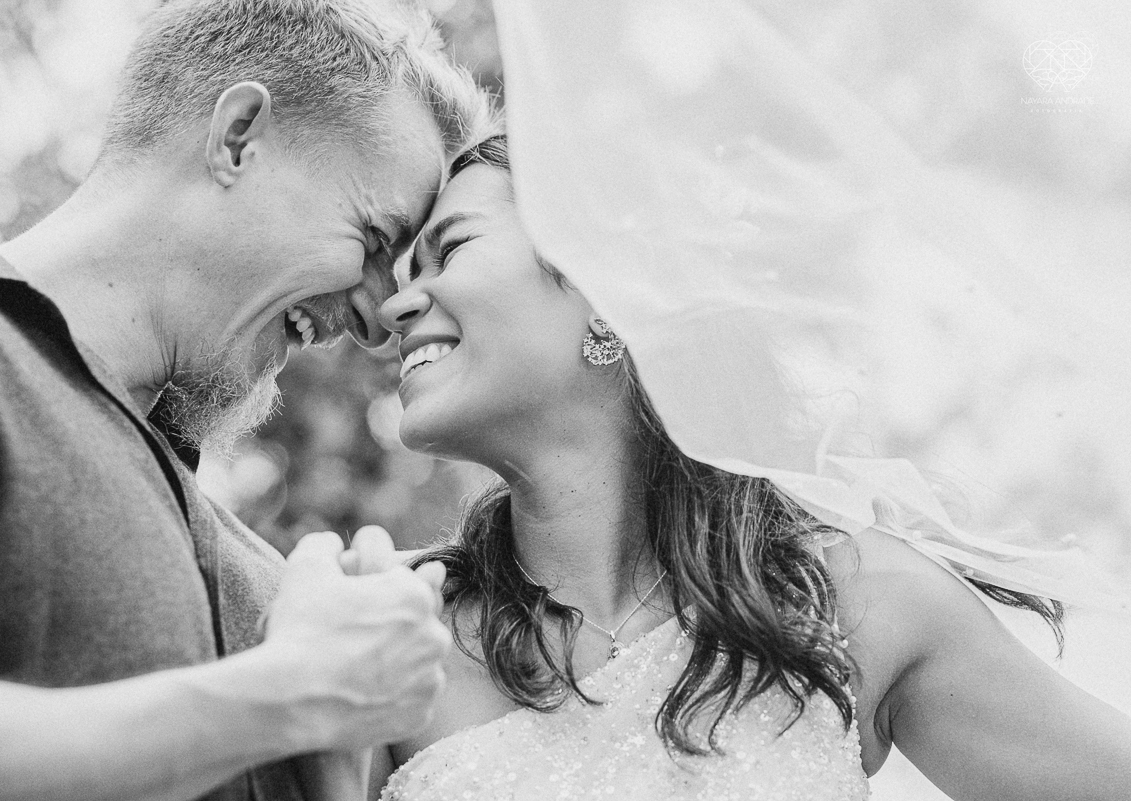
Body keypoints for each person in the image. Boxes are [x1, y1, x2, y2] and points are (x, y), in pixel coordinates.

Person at [368, 136, 1131, 801]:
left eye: (453, 247)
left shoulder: (855, 604)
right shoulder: (387, 633)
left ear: (604, 285)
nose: (396, 306)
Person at [0, 1, 492, 800]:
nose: (376, 322)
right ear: (237, 137)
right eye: (373, 241)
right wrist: (287, 697)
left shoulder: (277, 587)